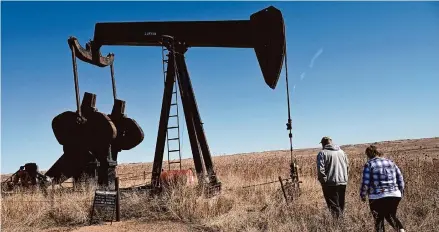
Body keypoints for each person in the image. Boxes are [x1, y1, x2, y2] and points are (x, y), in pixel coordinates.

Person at [360, 145, 406, 232]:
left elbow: (365, 182)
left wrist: (363, 194)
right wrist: (400, 192)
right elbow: (400, 179)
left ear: (369, 154)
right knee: (391, 216)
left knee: (378, 220)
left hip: (377, 196)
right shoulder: (391, 163)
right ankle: (401, 230)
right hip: (394, 194)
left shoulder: (369, 164)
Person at [316, 136, 349, 218]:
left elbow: (321, 169)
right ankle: (341, 222)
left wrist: (324, 182)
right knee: (341, 204)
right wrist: (345, 178)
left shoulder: (322, 153)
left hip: (330, 183)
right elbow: (347, 166)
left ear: (323, 143)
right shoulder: (342, 152)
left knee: (333, 205)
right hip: (342, 182)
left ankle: (337, 225)